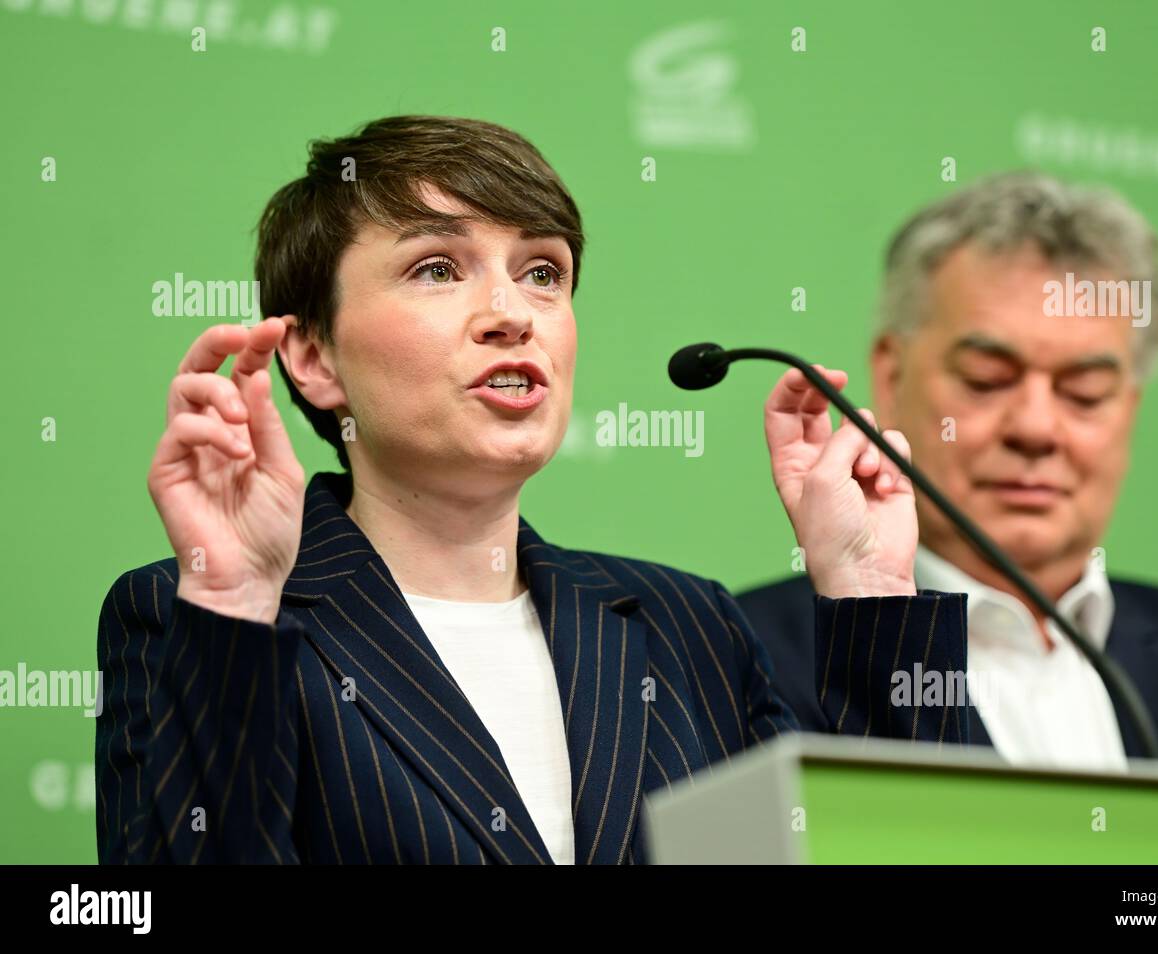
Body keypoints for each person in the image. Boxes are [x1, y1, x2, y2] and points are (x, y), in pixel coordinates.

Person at [95, 116, 968, 865]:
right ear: (315, 357)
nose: (512, 312)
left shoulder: (688, 627)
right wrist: (238, 601)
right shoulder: (194, 623)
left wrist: (871, 590)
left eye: (543, 272)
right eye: (438, 268)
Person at [739, 172, 1158, 771]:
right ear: (891, 375)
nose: (1035, 428)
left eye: (1084, 392)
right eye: (987, 379)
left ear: (1130, 406)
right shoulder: (737, 662)